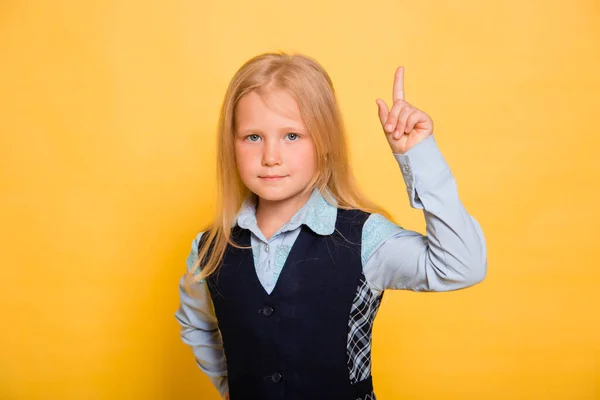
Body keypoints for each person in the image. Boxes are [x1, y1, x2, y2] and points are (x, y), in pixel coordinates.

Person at [174, 52, 487, 400]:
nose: (271, 156)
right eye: (253, 137)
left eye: (292, 136)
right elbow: (197, 324)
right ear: (230, 145)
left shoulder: (364, 238)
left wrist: (418, 155)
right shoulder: (210, 248)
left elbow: (463, 266)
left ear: (324, 143)